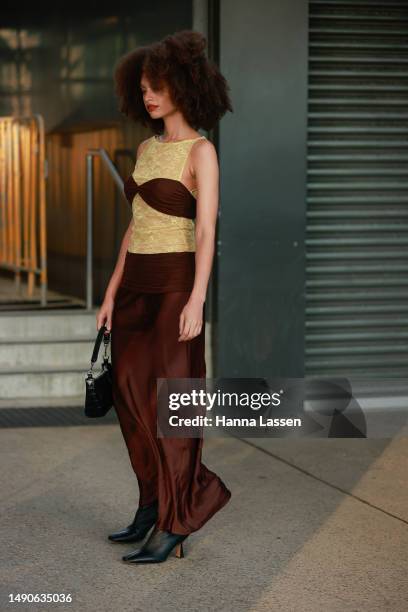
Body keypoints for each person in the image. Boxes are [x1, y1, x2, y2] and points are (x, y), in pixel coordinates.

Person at [96, 29, 233, 564]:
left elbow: (205, 233)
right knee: (129, 398)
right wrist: (110, 292)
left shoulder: (202, 151)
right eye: (144, 88)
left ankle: (179, 518)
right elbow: (135, 227)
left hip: (177, 286)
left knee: (174, 407)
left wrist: (198, 298)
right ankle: (152, 505)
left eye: (158, 86)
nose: (149, 95)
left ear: (183, 85)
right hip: (135, 289)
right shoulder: (148, 148)